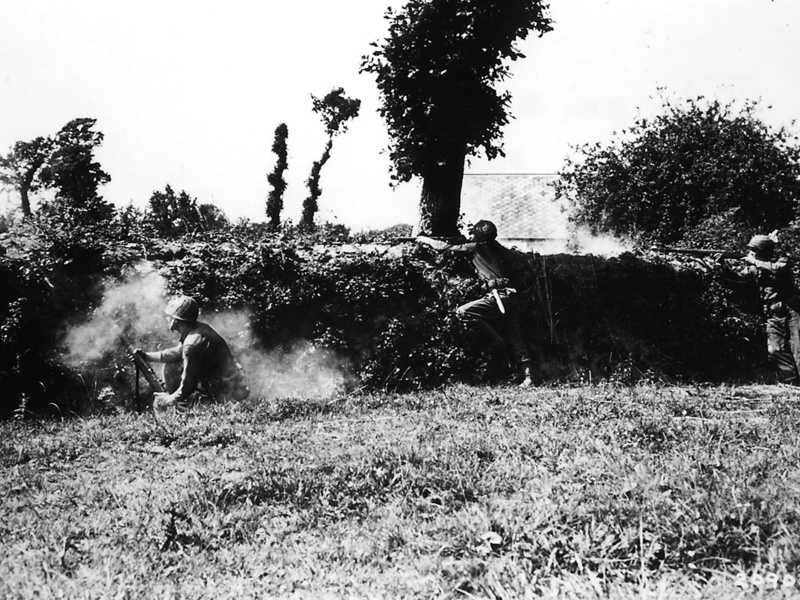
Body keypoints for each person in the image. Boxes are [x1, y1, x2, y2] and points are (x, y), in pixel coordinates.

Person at [417, 220, 535, 387]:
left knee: (463, 312)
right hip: (512, 297)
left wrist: (424, 240)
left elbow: (444, 248)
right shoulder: (501, 249)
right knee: (515, 338)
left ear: (478, 235)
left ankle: (497, 343)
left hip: (497, 297)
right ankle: (528, 376)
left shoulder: (476, 248)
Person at [713, 233, 800, 385]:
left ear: (764, 251)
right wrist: (724, 265)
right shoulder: (755, 267)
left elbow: (777, 270)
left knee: (798, 349)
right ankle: (793, 383)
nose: (751, 254)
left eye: (755, 251)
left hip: (792, 311)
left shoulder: (781, 261)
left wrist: (754, 261)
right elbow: (739, 279)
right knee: (775, 350)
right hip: (773, 312)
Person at [136, 295, 249, 411]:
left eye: (168, 316)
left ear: (175, 319)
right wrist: (145, 356)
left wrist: (169, 400)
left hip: (223, 390)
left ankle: (178, 414)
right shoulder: (197, 329)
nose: (166, 319)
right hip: (221, 382)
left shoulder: (192, 344)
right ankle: (180, 407)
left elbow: (188, 386)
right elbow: (175, 353)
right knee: (170, 365)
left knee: (160, 403)